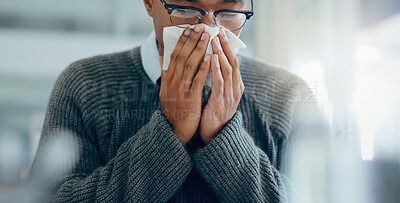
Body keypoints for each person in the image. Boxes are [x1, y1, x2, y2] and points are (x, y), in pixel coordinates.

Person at [28, 0, 319, 202]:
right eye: (185, 8)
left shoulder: (289, 95)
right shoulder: (85, 84)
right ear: (150, 3)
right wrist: (171, 133)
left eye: (228, 11)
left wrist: (224, 138)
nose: (207, 28)